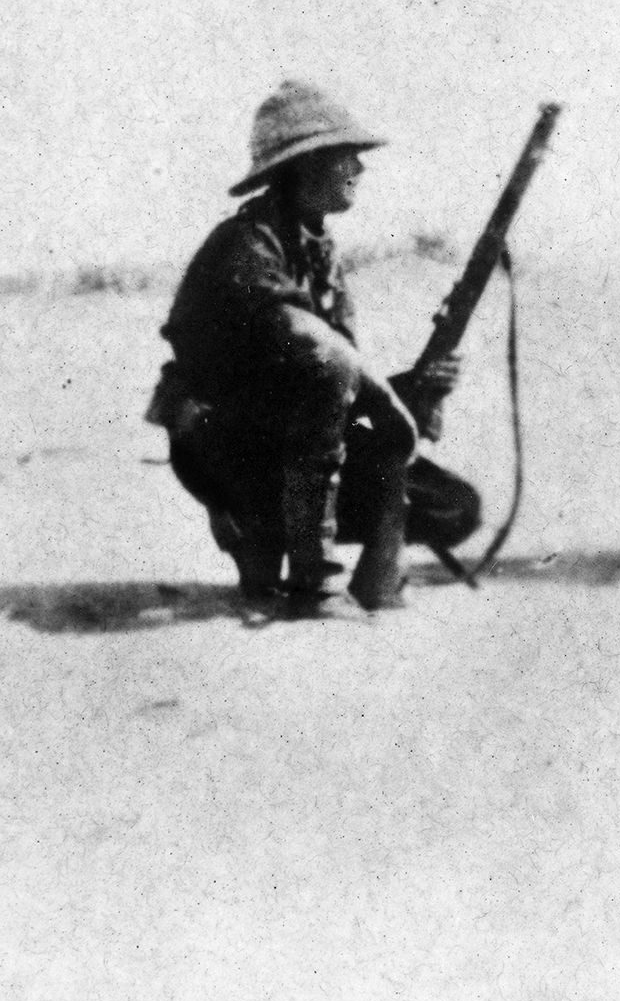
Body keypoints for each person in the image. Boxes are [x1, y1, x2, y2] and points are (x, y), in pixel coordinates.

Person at [146, 82, 459, 613]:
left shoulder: (317, 250)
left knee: (451, 507)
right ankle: (309, 575)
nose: (360, 169)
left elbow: (344, 387)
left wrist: (420, 387)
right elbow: (317, 352)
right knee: (329, 367)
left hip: (295, 435)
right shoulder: (243, 247)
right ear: (307, 166)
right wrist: (388, 400)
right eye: (347, 157)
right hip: (225, 444)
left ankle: (359, 574)